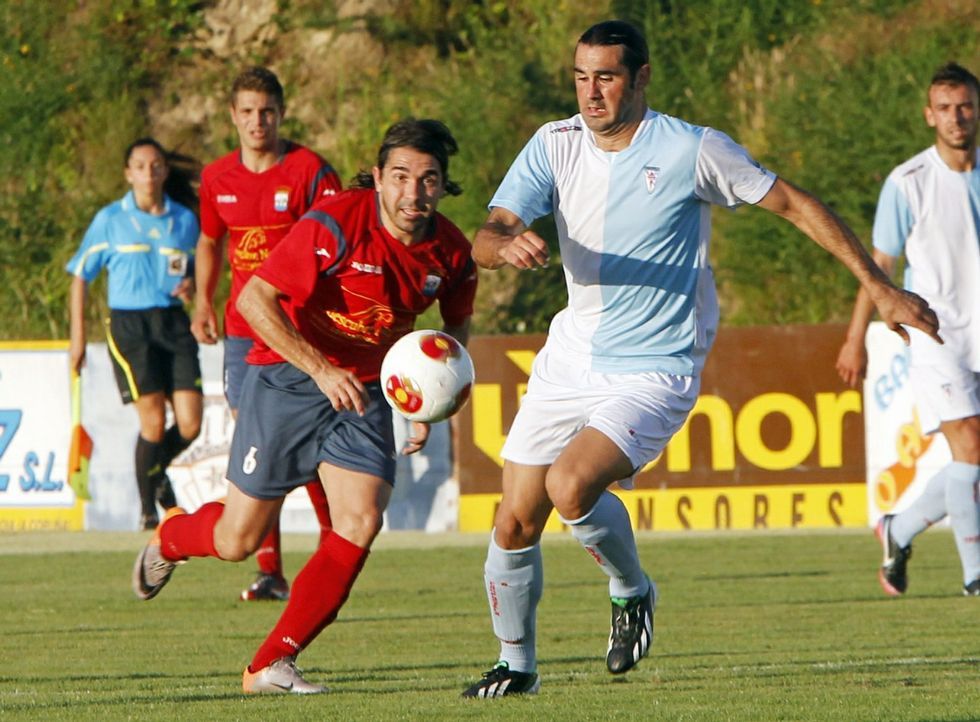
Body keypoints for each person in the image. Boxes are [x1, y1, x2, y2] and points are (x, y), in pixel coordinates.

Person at [461, 20, 942, 699]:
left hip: (654, 367)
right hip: (568, 359)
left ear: (641, 78)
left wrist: (879, 286)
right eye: (581, 77)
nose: (590, 93)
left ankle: (631, 590)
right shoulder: (554, 143)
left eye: (606, 77)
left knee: (570, 487)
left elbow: (793, 204)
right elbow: (488, 233)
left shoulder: (691, 149)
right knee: (514, 521)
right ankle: (516, 667)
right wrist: (502, 246)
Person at [132, 118, 477, 694]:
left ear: (442, 185)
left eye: (427, 179)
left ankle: (271, 662)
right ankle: (171, 537)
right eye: (400, 176)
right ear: (378, 177)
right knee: (237, 541)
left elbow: (452, 333)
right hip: (287, 379)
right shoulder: (335, 222)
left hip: (364, 393)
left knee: (361, 521)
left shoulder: (452, 253)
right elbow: (254, 300)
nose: (412, 192)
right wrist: (319, 368)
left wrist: (425, 402)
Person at [192, 66, 342, 602]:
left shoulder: (310, 171)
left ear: (282, 113)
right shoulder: (217, 178)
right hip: (243, 333)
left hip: (301, 331)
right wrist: (201, 301)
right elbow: (210, 242)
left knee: (308, 441)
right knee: (258, 445)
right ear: (233, 116)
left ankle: (333, 552)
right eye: (249, 112)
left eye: (268, 111)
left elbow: (336, 242)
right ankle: (270, 570)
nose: (258, 121)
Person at [836, 62, 980, 597]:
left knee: (972, 459)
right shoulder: (908, 181)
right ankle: (975, 576)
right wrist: (855, 339)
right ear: (929, 116)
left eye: (964, 106)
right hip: (935, 334)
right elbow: (879, 268)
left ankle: (898, 528)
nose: (956, 117)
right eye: (945, 108)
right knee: (970, 444)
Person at [67, 137, 202, 531]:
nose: (149, 173)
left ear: (165, 171)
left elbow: (196, 267)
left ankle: (155, 471)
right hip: (130, 327)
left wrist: (193, 285)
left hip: (173, 322)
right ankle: (148, 512)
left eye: (156, 165)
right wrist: (78, 338)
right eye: (140, 166)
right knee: (153, 422)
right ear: (128, 174)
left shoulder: (184, 220)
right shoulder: (111, 220)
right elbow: (80, 276)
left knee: (191, 424)